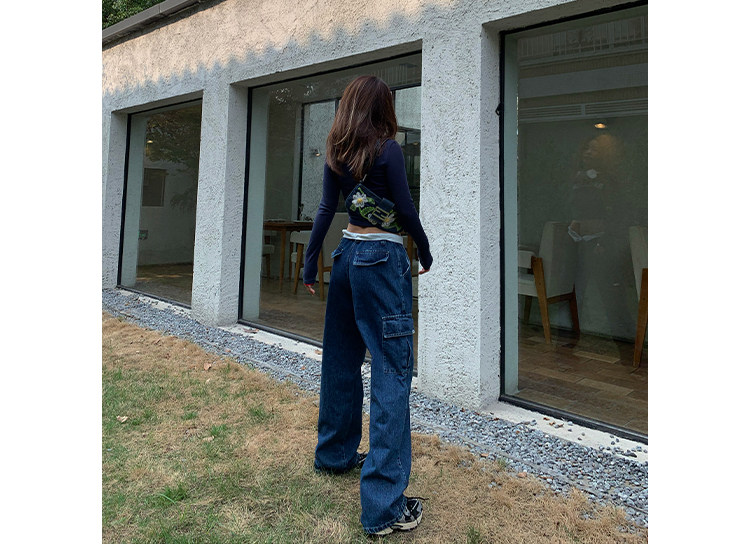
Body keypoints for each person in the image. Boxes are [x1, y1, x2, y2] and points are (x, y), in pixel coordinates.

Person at [302, 75, 432, 536]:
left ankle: (334, 454)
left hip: (345, 257)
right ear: (382, 109)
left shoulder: (336, 151)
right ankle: (383, 509)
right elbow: (406, 208)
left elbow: (325, 209)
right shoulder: (388, 150)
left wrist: (310, 261)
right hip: (381, 258)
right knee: (391, 370)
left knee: (340, 360)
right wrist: (424, 249)